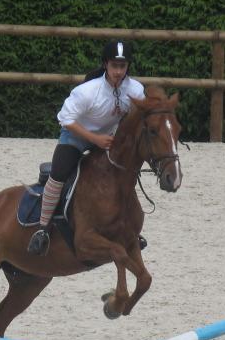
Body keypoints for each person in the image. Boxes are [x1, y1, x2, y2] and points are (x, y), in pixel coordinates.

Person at [27, 39, 145, 256]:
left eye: (123, 66)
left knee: (124, 172)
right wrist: (94, 138)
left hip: (109, 138)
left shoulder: (135, 90)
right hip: (76, 135)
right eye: (114, 66)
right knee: (58, 174)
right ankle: (42, 229)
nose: (119, 71)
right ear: (105, 65)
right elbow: (65, 119)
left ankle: (128, 226)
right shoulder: (87, 91)